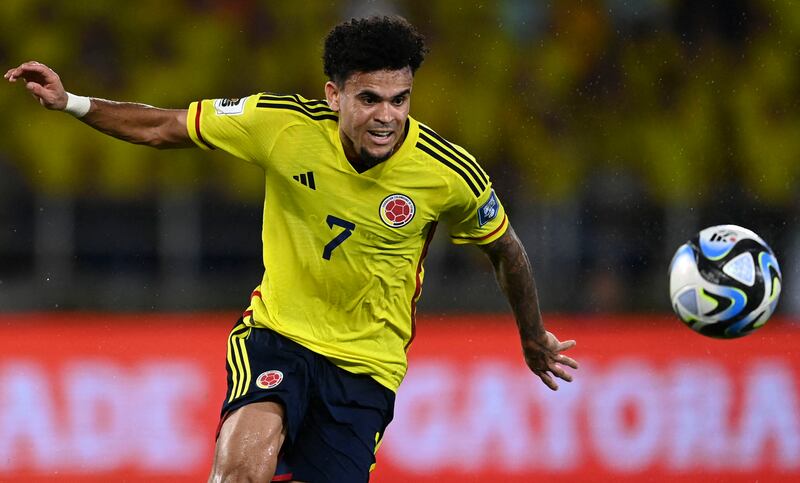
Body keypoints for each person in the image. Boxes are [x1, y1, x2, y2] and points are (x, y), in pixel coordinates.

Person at [5, 15, 578, 483]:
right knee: (242, 467)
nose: (387, 117)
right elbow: (165, 127)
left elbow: (507, 250)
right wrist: (72, 103)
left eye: (401, 99)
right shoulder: (278, 125)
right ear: (334, 94)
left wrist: (531, 336)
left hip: (366, 369)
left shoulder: (447, 172)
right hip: (277, 335)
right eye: (370, 98)